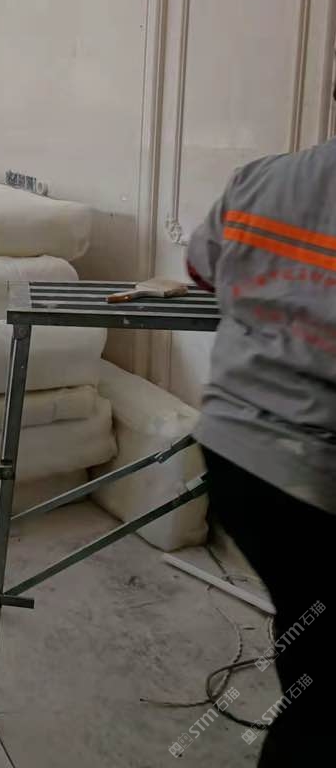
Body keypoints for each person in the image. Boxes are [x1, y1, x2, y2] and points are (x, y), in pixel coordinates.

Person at [187, 137, 335, 765]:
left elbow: (201, 268)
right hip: (314, 476)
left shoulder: (260, 179)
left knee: (307, 628)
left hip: (234, 458)